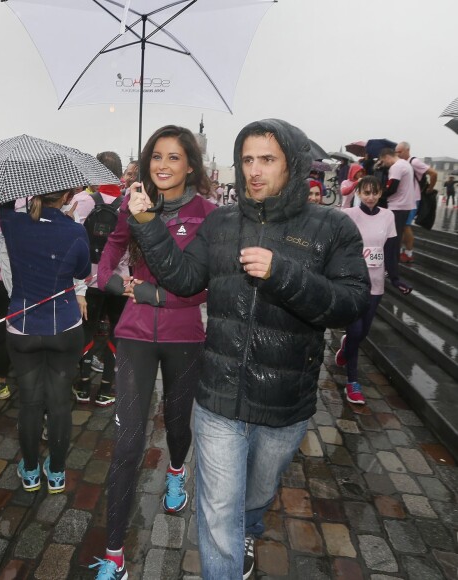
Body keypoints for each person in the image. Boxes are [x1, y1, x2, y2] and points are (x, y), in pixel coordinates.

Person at [126, 118, 370, 579]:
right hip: (218, 397)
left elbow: (350, 304)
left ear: (292, 165)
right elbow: (183, 278)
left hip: (283, 404)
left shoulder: (331, 228)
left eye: (267, 160)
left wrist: (285, 275)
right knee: (218, 510)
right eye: (247, 160)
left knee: (253, 497)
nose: (254, 171)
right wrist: (146, 223)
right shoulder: (221, 223)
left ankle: (250, 526)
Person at [91, 125, 216, 580]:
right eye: (156, 157)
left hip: (185, 336)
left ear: (190, 166)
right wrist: (106, 277)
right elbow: (115, 245)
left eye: (174, 157)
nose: (163, 165)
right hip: (136, 334)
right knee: (127, 442)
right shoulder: (133, 203)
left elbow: (204, 286)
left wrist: (156, 295)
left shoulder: (210, 213)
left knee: (178, 424)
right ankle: (114, 553)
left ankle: (178, 470)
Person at [0, 185, 91, 494]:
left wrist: (20, 184)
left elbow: (4, 204)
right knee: (59, 402)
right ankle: (56, 472)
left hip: (22, 326)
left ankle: (29, 470)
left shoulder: (13, 222)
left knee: (30, 402)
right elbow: (80, 270)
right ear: (66, 197)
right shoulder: (75, 231)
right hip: (64, 327)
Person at [336, 176, 412, 404]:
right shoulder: (349, 215)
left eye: (374, 192)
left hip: (376, 283)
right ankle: (352, 383)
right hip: (353, 284)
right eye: (365, 192)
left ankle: (346, 347)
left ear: (380, 194)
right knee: (356, 331)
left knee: (362, 333)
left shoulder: (388, 216)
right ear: (359, 192)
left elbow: (389, 251)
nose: (370, 196)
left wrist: (396, 279)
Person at [73, 151, 128, 407]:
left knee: (88, 330)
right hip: (119, 280)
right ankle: (107, 387)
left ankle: (82, 385)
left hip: (89, 279)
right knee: (116, 333)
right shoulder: (130, 202)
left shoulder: (83, 200)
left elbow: (73, 240)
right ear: (119, 174)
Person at [394, 141, 438, 263]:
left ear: (407, 150)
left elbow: (434, 173)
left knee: (406, 226)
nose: (397, 154)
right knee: (402, 226)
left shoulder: (414, 162)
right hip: (406, 199)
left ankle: (408, 253)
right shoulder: (402, 163)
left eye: (400, 151)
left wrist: (430, 189)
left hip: (413, 200)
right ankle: (402, 251)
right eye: (396, 152)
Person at [378, 148, 415, 259]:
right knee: (398, 232)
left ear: (387, 157)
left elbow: (392, 188)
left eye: (384, 161)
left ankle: (391, 260)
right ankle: (394, 257)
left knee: (394, 235)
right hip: (405, 204)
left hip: (397, 205)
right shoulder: (405, 164)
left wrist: (378, 194)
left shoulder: (396, 167)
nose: (385, 165)